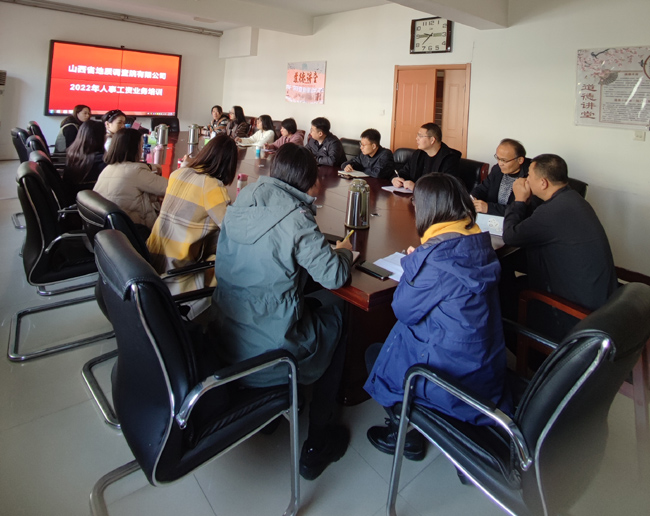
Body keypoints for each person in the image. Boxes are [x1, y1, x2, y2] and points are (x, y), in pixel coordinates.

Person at [211, 143, 353, 481]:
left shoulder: (244, 197)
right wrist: (345, 252)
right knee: (343, 317)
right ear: (308, 179)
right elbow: (334, 276)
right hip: (272, 347)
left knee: (310, 301)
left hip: (224, 332)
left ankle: (272, 414)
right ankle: (318, 441)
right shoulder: (296, 217)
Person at [364, 173, 511, 461]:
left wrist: (415, 264)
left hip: (453, 381)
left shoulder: (438, 258)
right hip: (483, 366)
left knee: (374, 353)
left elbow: (403, 309)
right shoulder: (476, 241)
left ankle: (405, 434)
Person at [502, 154, 617, 338]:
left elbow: (510, 236)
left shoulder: (553, 212)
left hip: (574, 311)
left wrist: (519, 201)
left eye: (529, 175)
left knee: (501, 292)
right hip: (595, 295)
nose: (526, 179)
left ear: (543, 183)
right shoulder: (572, 199)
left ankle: (523, 347)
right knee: (507, 267)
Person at [147, 134, 238, 320]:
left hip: (153, 257)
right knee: (235, 263)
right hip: (179, 267)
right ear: (229, 165)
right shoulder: (211, 186)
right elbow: (232, 229)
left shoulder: (178, 173)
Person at [94, 128, 168, 230]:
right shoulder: (135, 172)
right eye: (141, 146)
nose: (142, 150)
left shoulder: (108, 168)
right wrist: (184, 169)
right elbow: (172, 188)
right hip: (133, 230)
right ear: (134, 149)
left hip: (109, 230)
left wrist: (151, 167)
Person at [471, 139, 532, 216]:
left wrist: (489, 208)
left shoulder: (530, 177)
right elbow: (481, 189)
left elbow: (523, 210)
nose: (500, 163)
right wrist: (473, 198)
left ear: (520, 160)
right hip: (491, 218)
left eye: (504, 160)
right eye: (498, 158)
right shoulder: (497, 169)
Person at [392, 123, 461, 191]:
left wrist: (417, 188)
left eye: (420, 136)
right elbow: (404, 172)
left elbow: (446, 188)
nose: (416, 138)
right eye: (417, 135)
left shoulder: (450, 159)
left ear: (432, 140)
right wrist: (395, 179)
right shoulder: (418, 154)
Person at [63, 120, 107, 189]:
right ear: (100, 137)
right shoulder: (101, 159)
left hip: (72, 193)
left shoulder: (72, 153)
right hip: (93, 193)